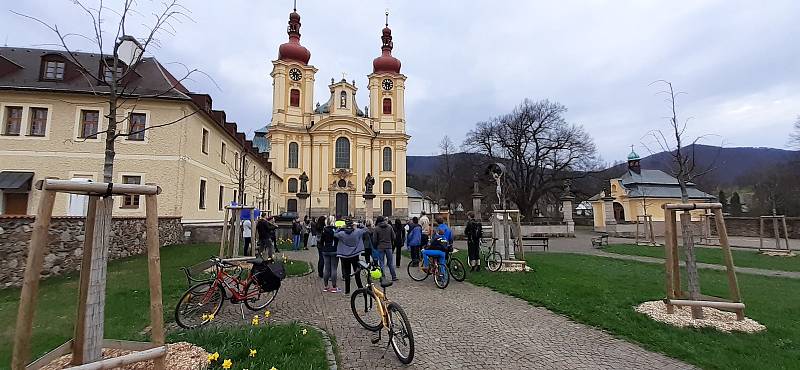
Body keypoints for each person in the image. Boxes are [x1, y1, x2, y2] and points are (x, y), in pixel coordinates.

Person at [335, 219, 368, 294]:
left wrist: (340, 228)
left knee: (347, 273)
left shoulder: (341, 233)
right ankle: (360, 289)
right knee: (357, 273)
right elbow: (365, 229)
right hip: (355, 255)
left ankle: (347, 291)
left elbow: (335, 233)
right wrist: (359, 224)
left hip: (345, 256)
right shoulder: (357, 232)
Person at [372, 216, 398, 281]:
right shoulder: (389, 227)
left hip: (380, 247)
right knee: (390, 263)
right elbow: (394, 237)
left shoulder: (376, 228)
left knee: (381, 263)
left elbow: (374, 240)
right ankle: (394, 276)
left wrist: (375, 246)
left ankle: (383, 277)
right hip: (389, 246)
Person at [320, 216, 340, 293]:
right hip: (334, 249)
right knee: (334, 268)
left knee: (327, 268)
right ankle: (334, 287)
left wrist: (323, 248)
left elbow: (321, 241)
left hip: (325, 250)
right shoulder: (335, 230)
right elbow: (338, 239)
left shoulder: (324, 230)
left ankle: (326, 286)